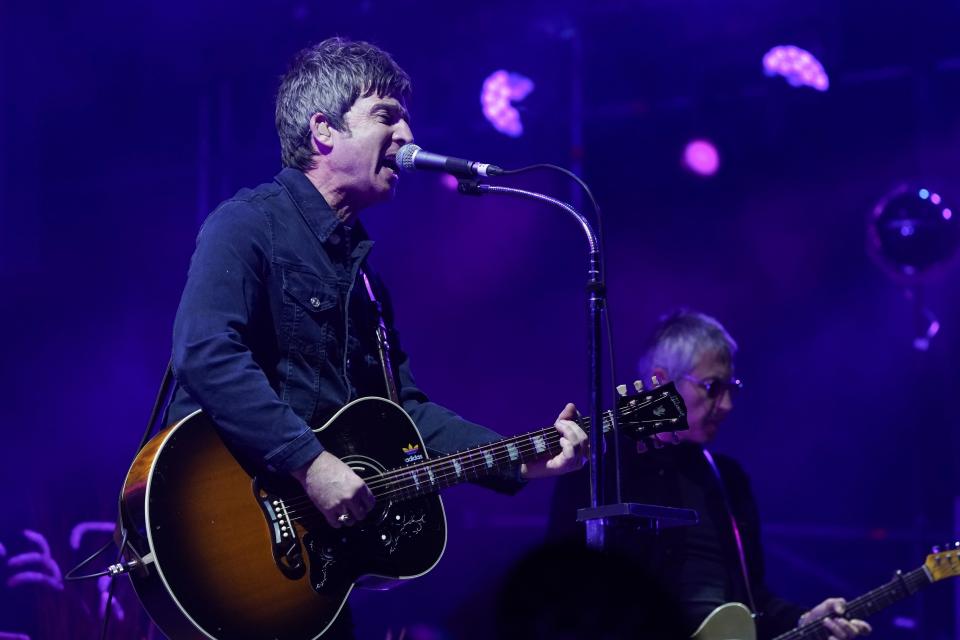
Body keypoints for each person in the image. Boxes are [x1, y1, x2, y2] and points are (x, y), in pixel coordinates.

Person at [165, 37, 587, 638]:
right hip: (226, 534)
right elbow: (206, 352)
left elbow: (405, 414)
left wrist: (523, 458)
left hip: (314, 578)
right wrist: (309, 464)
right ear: (323, 130)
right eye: (386, 115)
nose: (407, 134)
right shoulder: (247, 224)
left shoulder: (365, 281)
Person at [547, 310, 871, 640]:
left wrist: (804, 620)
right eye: (712, 387)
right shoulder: (597, 462)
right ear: (661, 381)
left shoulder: (728, 479)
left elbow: (751, 601)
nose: (727, 404)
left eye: (731, 388)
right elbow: (559, 580)